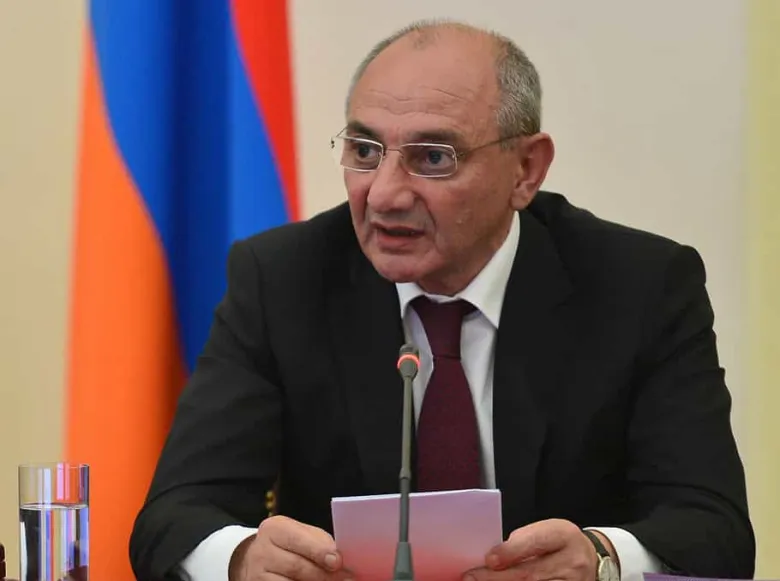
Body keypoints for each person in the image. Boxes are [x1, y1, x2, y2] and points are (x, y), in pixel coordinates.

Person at [129, 19, 755, 581]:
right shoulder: (283, 278)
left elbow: (714, 532)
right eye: (365, 151)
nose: (384, 195)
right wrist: (241, 558)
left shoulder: (639, 286)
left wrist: (601, 558)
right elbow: (175, 517)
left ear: (526, 170)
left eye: (432, 157)